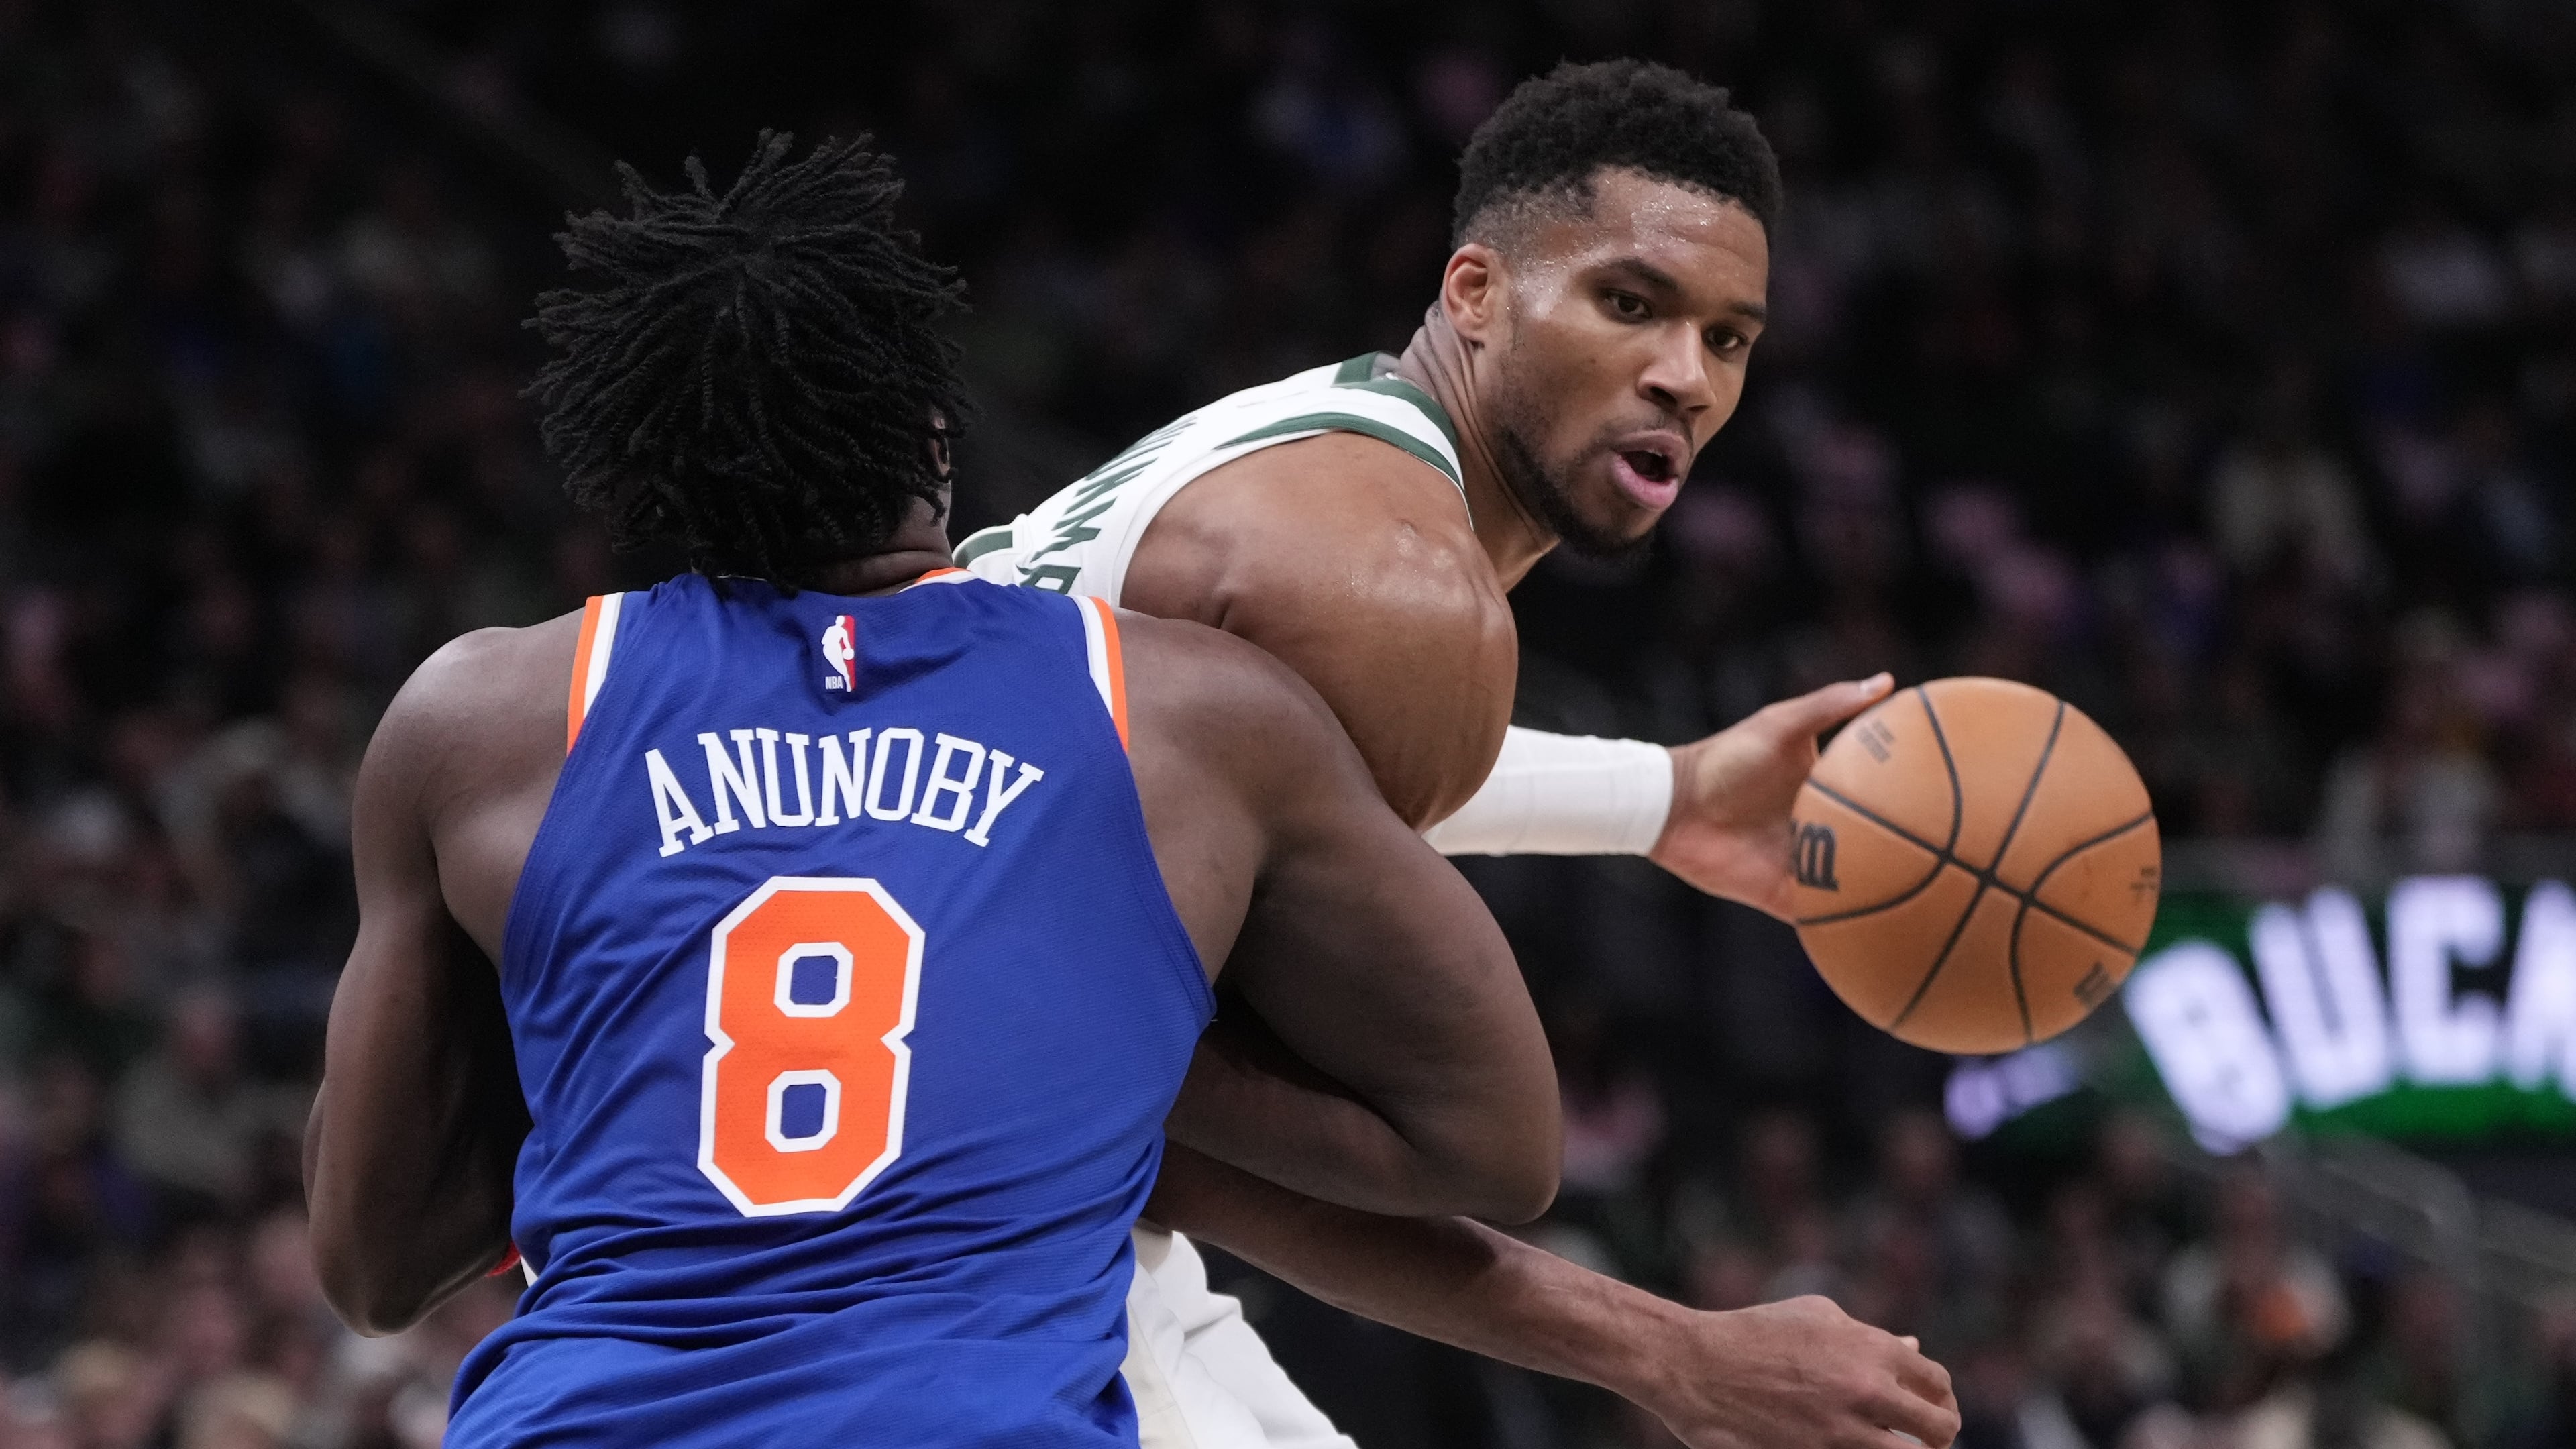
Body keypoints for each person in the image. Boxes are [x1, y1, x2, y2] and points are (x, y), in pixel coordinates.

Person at [300, 134, 1565, 1448]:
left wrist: (620, 1020)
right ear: (936, 438)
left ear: (647, 474)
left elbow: (372, 1262)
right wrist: (1102, 1060)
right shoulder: (1191, 716)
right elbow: (1501, 1146)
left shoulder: (483, 722)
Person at [962, 58, 1957, 1449]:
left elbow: (1281, 781)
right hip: (960, 1245)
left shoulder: (1314, 450)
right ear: (1477, 292)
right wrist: (1669, 1353)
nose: (1684, 378)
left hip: (999, 1176)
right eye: (1631, 304)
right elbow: (1160, 1122)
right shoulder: (1389, 587)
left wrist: (1661, 796)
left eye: (1730, 339)